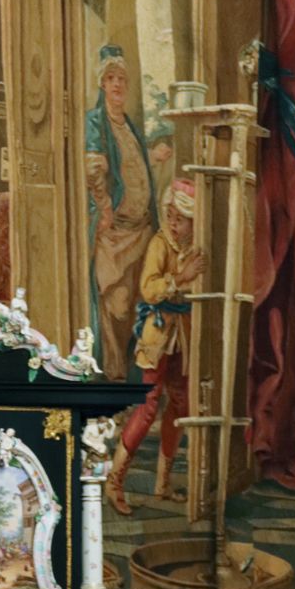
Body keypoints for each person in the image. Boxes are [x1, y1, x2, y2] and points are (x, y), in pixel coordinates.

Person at [107, 177, 205, 512]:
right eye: (171, 216)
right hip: (157, 336)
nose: (174, 224)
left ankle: (163, 483)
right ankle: (115, 481)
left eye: (182, 218)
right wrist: (180, 279)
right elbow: (149, 290)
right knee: (148, 407)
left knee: (180, 404)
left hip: (184, 338)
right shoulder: (160, 244)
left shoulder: (198, 248)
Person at [85, 44, 158, 380]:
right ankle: (111, 378)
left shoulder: (129, 125)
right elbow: (94, 168)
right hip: (115, 234)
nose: (117, 84)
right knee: (116, 304)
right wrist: (104, 207)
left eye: (122, 79)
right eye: (111, 78)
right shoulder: (95, 122)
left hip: (141, 230)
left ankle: (129, 381)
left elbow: (131, 165)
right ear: (102, 84)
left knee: (136, 307)